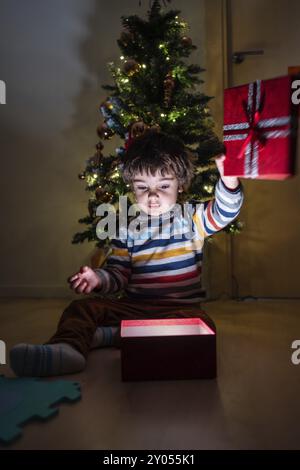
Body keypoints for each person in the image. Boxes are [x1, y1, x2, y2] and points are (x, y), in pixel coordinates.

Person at [10, 130, 244, 377]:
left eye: (164, 186)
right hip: (134, 307)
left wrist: (229, 181)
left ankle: (110, 335)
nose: (152, 196)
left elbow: (223, 212)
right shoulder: (127, 229)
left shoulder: (193, 219)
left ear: (181, 184)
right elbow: (118, 274)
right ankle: (67, 349)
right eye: (142, 187)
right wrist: (98, 278)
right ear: (132, 187)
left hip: (178, 309)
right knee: (83, 309)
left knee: (202, 326)